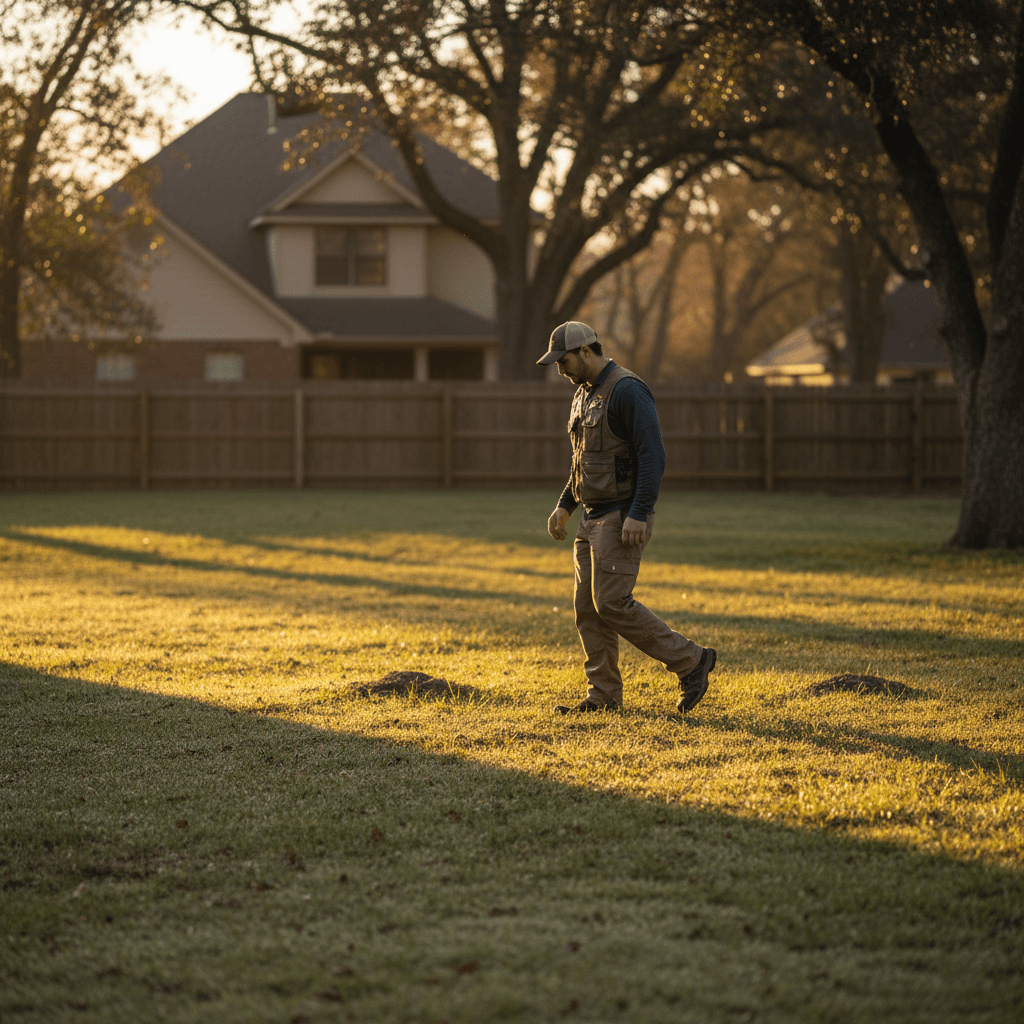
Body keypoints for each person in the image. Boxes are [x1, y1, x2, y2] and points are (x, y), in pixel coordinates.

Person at [538, 321, 716, 714]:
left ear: (586, 351)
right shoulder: (583, 394)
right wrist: (565, 504)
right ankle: (602, 697)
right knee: (588, 608)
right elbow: (583, 460)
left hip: (620, 516)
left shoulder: (627, 390)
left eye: (563, 361)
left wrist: (640, 512)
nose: (559, 370)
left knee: (612, 603)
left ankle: (692, 661)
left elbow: (653, 455)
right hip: (590, 517)